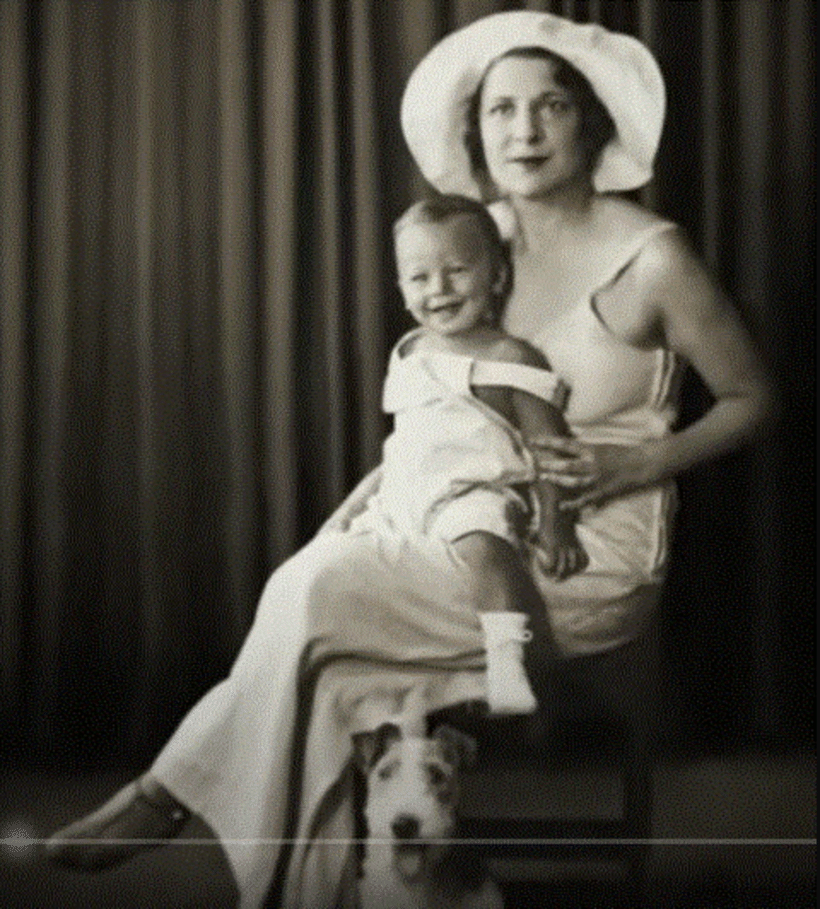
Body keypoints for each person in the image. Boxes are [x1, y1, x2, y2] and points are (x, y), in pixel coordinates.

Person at [45, 10, 773, 909]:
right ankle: (310, 893)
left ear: (591, 124)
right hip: (458, 509)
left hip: (587, 553)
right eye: (502, 111)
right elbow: (447, 416)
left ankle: (166, 795)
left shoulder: (653, 260)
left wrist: (637, 465)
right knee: (334, 660)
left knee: (312, 593)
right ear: (476, 132)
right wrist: (368, 496)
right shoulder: (470, 239)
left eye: (550, 108)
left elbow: (753, 400)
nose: (525, 131)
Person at [44, 195, 580, 901]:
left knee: (430, 555)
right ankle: (244, 845)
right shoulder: (414, 353)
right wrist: (346, 513)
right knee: (295, 581)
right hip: (404, 509)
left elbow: (552, 451)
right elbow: (404, 454)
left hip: (469, 505)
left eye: (457, 271)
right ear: (399, 286)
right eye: (419, 277)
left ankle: (166, 790)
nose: (438, 288)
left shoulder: (512, 356)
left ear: (497, 276)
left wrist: (554, 522)